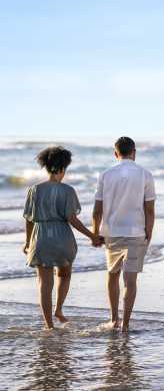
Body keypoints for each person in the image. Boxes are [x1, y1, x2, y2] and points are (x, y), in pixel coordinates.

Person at [23, 146, 103, 329]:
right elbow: (71, 218)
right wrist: (92, 235)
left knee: (44, 283)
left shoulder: (34, 190)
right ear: (62, 169)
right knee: (64, 274)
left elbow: (29, 219)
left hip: (41, 237)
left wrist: (28, 242)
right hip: (62, 238)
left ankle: (49, 325)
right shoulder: (68, 190)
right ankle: (58, 309)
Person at [92, 136, 156, 332]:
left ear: (115, 153)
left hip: (111, 232)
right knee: (130, 280)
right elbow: (150, 209)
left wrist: (95, 233)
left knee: (112, 275)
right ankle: (126, 324)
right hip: (136, 232)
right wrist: (149, 233)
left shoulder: (105, 174)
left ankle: (114, 319)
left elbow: (97, 209)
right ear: (134, 152)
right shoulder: (145, 174)